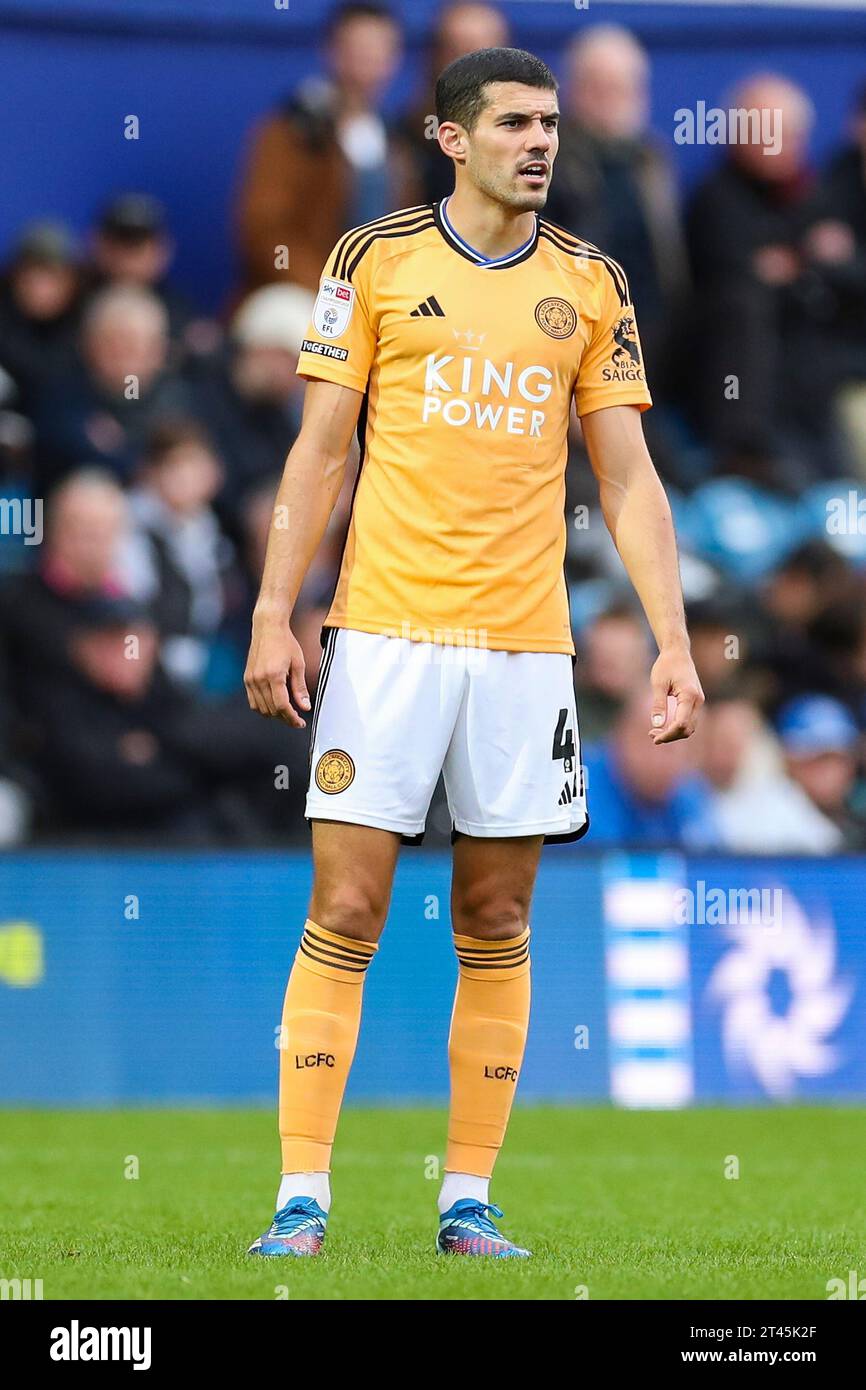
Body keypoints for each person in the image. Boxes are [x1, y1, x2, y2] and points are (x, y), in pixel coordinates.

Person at [244, 46, 703, 1260]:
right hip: (384, 631)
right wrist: (271, 609)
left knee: (495, 917)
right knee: (345, 904)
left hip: (522, 649)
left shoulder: (591, 282)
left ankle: (466, 1201)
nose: (539, 142)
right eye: (512, 123)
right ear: (451, 138)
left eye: (549, 123)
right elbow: (320, 453)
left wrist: (671, 642)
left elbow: (626, 477)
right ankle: (302, 1199)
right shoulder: (374, 260)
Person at [234, 2, 417, 297]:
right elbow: (264, 232)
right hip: (301, 293)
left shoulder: (398, 142)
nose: (369, 59)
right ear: (332, 51)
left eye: (380, 49)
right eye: (359, 48)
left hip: (380, 297)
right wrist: (327, 289)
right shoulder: (292, 132)